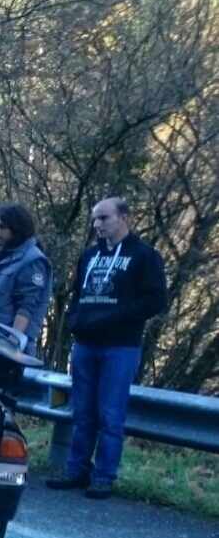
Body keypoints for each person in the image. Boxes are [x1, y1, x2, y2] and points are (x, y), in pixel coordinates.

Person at [46, 197, 169, 499]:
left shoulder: (144, 256)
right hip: (86, 344)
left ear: (124, 218)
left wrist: (118, 316)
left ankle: (104, 476)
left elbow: (157, 300)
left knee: (110, 415)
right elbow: (77, 294)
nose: (98, 225)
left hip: (120, 347)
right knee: (82, 413)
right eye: (95, 219)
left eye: (104, 218)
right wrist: (76, 319)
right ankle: (76, 469)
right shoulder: (89, 256)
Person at [0, 202, 52, 357]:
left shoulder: (31, 262)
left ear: (17, 230)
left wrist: (10, 347)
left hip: (7, 349)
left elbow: (26, 308)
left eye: (2, 227)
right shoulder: (2, 258)